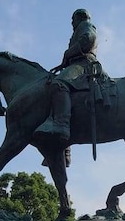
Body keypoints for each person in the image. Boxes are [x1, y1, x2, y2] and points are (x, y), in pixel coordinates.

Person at [34, 8, 98, 141]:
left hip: (84, 65)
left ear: (80, 17)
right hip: (75, 64)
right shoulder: (77, 31)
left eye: (72, 20)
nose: (71, 23)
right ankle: (66, 150)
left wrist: (67, 54)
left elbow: (88, 39)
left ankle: (61, 124)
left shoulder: (85, 25)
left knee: (59, 84)